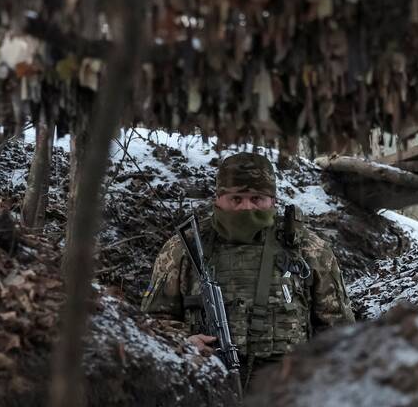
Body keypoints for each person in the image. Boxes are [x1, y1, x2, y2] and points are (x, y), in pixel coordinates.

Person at [141, 152, 354, 383]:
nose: (246, 208)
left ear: (273, 201)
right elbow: (151, 322)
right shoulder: (185, 248)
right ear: (218, 199)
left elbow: (339, 330)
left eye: (257, 199)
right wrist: (184, 341)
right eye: (236, 199)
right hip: (207, 383)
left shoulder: (309, 249)